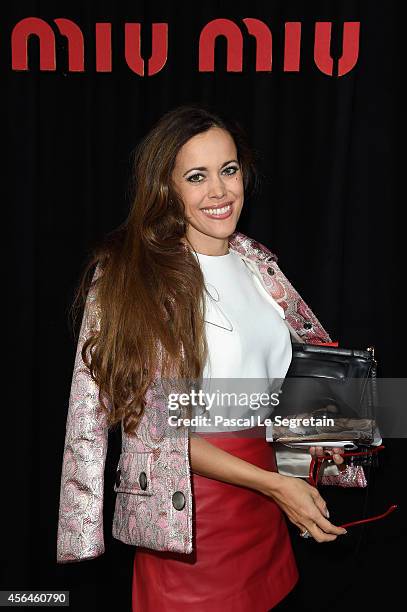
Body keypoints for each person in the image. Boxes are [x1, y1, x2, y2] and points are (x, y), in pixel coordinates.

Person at [56, 105, 346, 611]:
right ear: (166, 188)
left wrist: (311, 443)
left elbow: (259, 399)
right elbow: (156, 428)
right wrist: (276, 485)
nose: (220, 191)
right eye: (197, 176)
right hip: (189, 518)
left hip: (268, 510)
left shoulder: (258, 266)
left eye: (229, 170)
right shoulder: (140, 278)